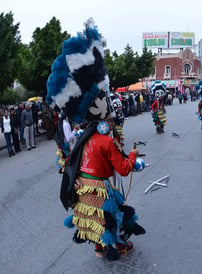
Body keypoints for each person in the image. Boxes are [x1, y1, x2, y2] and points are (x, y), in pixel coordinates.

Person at [46, 18, 146, 261]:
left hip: (82, 187)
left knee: (94, 218)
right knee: (117, 211)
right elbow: (123, 170)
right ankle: (117, 246)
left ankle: (99, 246)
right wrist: (134, 158)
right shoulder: (104, 141)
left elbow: (73, 161)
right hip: (100, 188)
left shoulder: (82, 137)